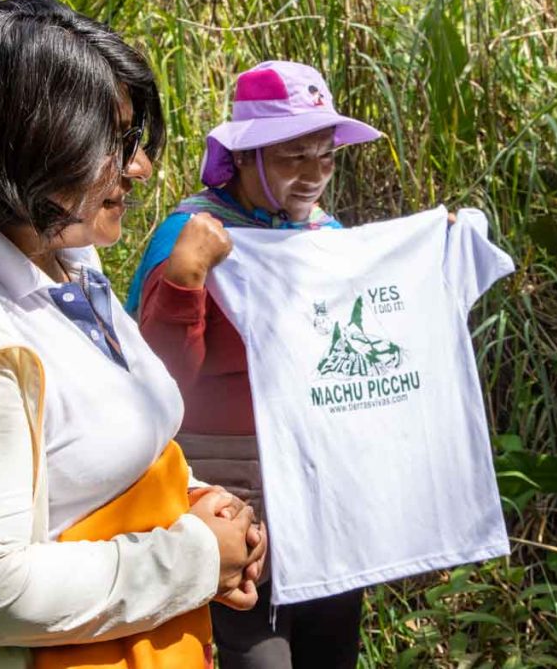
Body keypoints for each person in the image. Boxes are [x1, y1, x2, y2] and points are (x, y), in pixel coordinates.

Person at [0, 0, 266, 668]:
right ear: (27, 147)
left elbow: (89, 448)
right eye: (115, 142)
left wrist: (194, 499)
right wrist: (196, 554)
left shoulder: (57, 245)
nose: (139, 167)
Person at [126, 61, 383, 668]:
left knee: (332, 651)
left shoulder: (329, 237)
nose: (314, 175)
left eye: (325, 155)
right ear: (244, 157)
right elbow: (156, 381)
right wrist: (188, 278)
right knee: (256, 658)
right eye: (294, 156)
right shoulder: (192, 238)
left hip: (320, 499)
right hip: (230, 501)